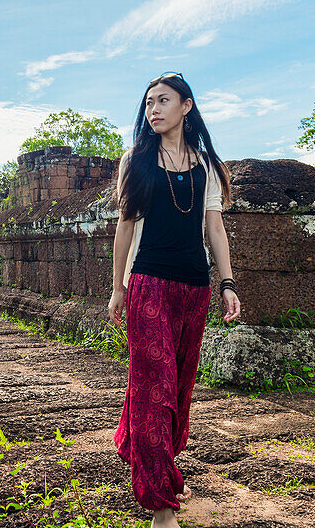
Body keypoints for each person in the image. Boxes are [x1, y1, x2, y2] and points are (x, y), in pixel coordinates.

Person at [108, 71, 241, 528]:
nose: (154, 110)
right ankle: (160, 507)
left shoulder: (206, 165)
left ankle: (151, 457)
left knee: (178, 390)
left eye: (163, 101)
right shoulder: (136, 161)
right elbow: (125, 227)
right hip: (148, 283)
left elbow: (215, 229)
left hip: (193, 288)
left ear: (186, 106)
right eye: (148, 104)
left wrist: (227, 283)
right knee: (155, 387)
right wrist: (117, 287)